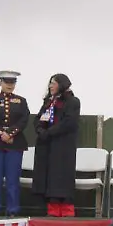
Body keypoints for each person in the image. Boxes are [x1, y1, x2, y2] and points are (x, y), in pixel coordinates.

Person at [0, 70, 31, 216]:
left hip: (15, 144)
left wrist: (10, 133)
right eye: (6, 82)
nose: (10, 85)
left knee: (13, 179)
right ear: (0, 83)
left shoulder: (21, 101)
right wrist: (1, 133)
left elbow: (24, 119)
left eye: (12, 82)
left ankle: (13, 209)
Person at [32, 73, 80, 217]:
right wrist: (40, 130)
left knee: (62, 177)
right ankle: (52, 209)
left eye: (54, 83)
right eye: (50, 83)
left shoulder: (73, 101)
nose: (50, 86)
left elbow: (69, 122)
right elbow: (38, 119)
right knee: (49, 177)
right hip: (47, 146)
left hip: (63, 146)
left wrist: (49, 132)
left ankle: (66, 210)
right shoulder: (48, 102)